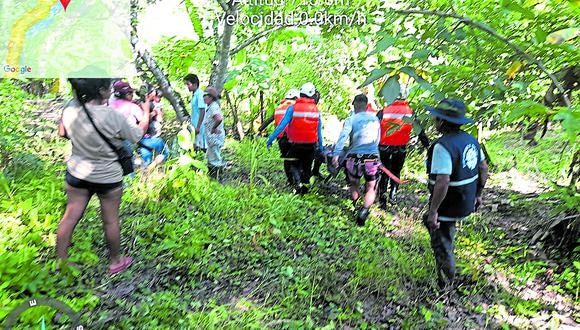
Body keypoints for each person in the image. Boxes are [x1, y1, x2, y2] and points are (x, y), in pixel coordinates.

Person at [57, 78, 150, 274]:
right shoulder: (112, 116)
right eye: (109, 87)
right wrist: (146, 112)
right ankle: (116, 261)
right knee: (110, 220)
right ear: (101, 91)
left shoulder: (71, 107)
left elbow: (62, 133)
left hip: (77, 173)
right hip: (107, 177)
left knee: (70, 217)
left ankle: (61, 261)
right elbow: (136, 136)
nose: (111, 90)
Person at [423, 99, 488, 289]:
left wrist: (434, 210)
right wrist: (478, 194)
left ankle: (446, 283)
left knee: (441, 238)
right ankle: (447, 270)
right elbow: (483, 168)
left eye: (436, 119)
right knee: (444, 230)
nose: (434, 121)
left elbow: (443, 181)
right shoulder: (471, 140)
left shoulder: (442, 147)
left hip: (448, 203)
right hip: (466, 199)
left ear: (441, 122)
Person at [332, 94, 381, 226]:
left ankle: (355, 203)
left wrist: (336, 154)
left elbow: (343, 136)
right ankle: (364, 210)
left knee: (354, 183)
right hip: (372, 158)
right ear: (366, 105)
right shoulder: (375, 119)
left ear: (354, 104)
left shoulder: (351, 119)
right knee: (371, 187)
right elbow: (377, 140)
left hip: (353, 158)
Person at [267, 82, 324, 194]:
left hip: (295, 144)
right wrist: (321, 146)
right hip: (311, 145)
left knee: (293, 164)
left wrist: (271, 139)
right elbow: (319, 131)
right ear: (312, 95)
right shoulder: (316, 110)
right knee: (307, 168)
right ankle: (304, 190)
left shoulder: (292, 108)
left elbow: (281, 126)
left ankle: (297, 185)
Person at [376, 99, 430, 206]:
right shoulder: (410, 112)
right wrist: (427, 145)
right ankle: (393, 194)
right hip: (400, 147)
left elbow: (374, 127)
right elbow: (419, 130)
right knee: (396, 171)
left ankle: (382, 197)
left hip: (384, 147)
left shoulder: (384, 111)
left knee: (384, 171)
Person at [273, 89, 300, 184]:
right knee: (296, 159)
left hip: (280, 138)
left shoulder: (278, 107)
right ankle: (298, 181)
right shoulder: (296, 107)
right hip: (292, 138)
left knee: (286, 158)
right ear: (296, 98)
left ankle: (290, 181)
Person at [137, 88, 169, 169]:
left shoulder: (151, 104)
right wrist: (154, 113)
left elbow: (160, 118)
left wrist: (159, 112)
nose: (156, 97)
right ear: (148, 94)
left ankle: (146, 174)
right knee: (165, 152)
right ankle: (153, 167)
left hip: (143, 137)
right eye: (154, 94)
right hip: (147, 137)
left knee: (146, 158)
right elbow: (144, 119)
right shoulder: (145, 104)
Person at [203, 86, 225, 180]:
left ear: (210, 97)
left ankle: (217, 178)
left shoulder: (213, 107)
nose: (203, 98)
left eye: (205, 96)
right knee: (210, 157)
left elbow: (219, 118)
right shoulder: (211, 107)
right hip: (212, 139)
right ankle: (212, 177)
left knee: (215, 159)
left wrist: (214, 128)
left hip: (215, 138)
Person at [184, 74, 207, 152]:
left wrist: (198, 126)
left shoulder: (200, 94)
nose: (187, 86)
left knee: (202, 145)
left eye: (188, 84)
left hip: (200, 125)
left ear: (195, 84)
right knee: (196, 144)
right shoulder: (195, 94)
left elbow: (202, 110)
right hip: (195, 123)